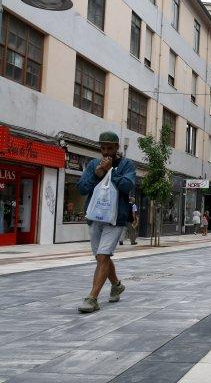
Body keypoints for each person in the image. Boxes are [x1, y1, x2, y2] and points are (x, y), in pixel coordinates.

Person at [77, 131, 136, 313]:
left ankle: (92, 298)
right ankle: (116, 285)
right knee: (101, 257)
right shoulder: (94, 164)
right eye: (102, 148)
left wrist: (112, 172)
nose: (106, 152)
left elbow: (128, 186)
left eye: (109, 148)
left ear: (117, 147)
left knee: (103, 256)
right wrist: (97, 174)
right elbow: (81, 188)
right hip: (95, 217)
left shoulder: (126, 165)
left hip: (116, 219)